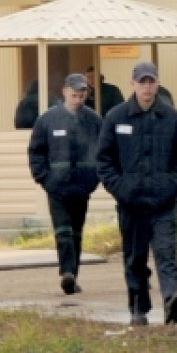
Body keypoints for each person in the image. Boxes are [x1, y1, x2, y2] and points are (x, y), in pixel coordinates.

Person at [97, 62, 177, 327]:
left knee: (166, 252)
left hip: (163, 202)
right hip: (131, 203)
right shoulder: (117, 117)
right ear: (133, 84)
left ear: (158, 83)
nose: (147, 87)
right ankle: (139, 305)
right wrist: (120, 188)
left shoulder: (172, 118)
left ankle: (172, 299)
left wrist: (172, 186)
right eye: (142, 82)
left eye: (151, 82)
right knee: (135, 258)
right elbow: (104, 160)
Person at [27, 74, 102, 294]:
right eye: (74, 95)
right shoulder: (48, 119)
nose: (78, 99)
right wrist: (44, 178)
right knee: (63, 231)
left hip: (82, 186)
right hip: (57, 187)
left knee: (77, 232)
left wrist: (94, 178)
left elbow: (104, 151)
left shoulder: (94, 120)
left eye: (82, 95)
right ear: (65, 92)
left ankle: (73, 274)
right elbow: (36, 151)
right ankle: (67, 272)